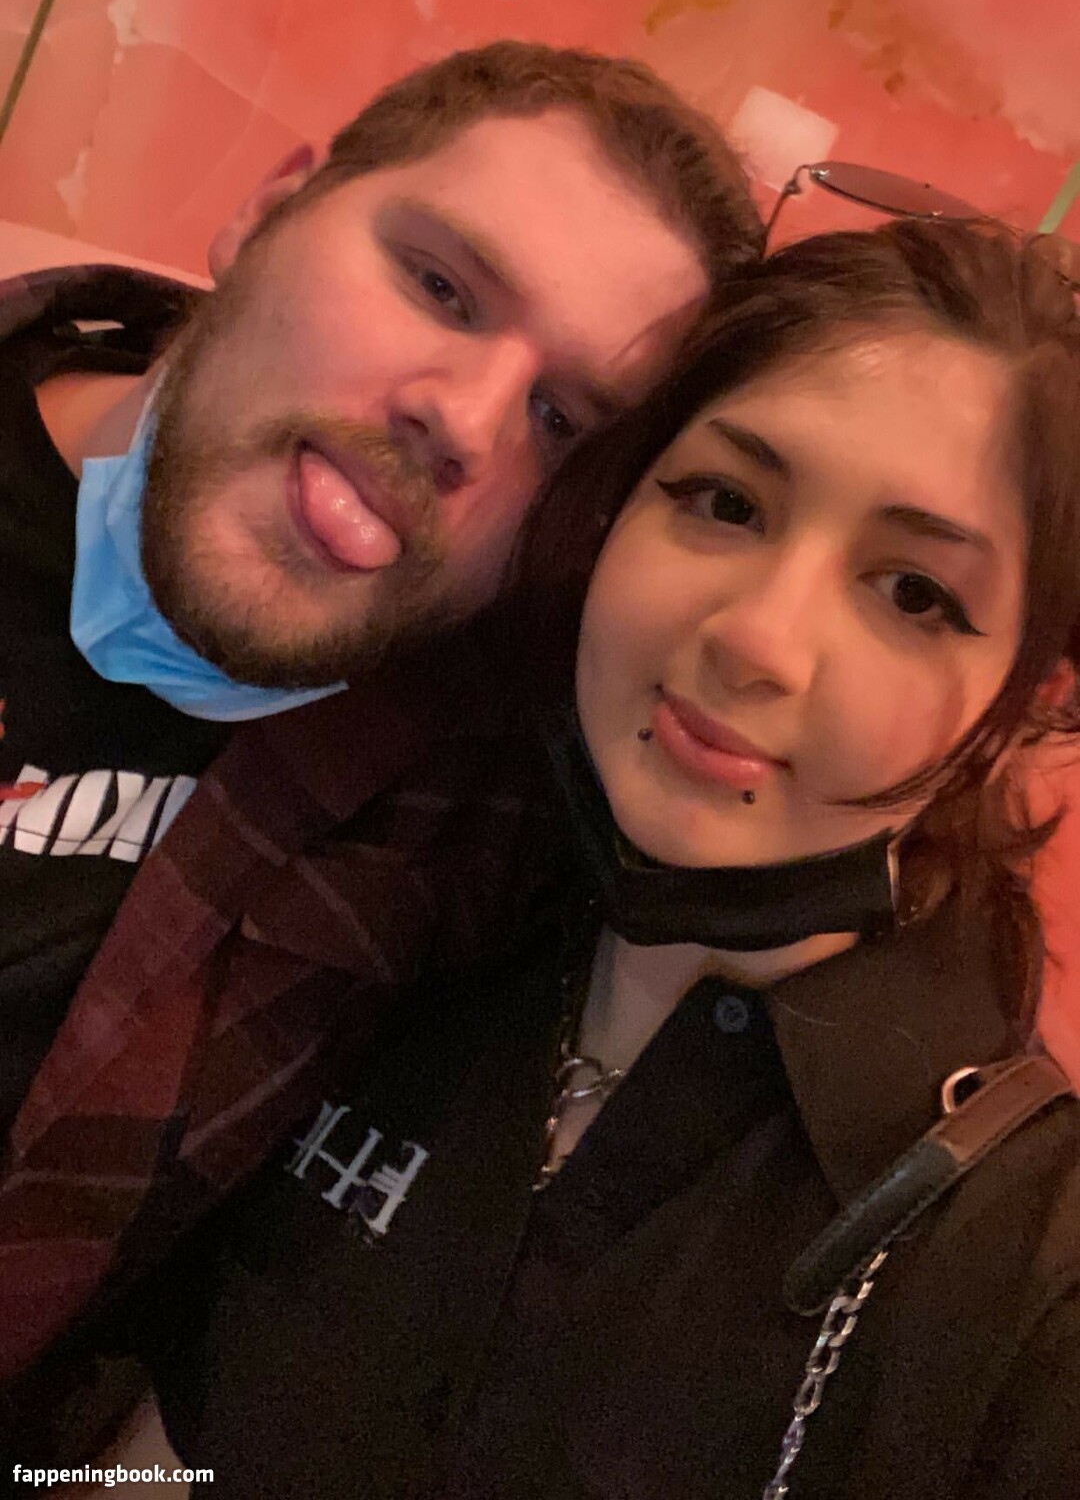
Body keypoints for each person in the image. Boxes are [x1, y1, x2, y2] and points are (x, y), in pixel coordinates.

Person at [123, 214, 1080, 1497]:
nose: (758, 640)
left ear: (1021, 710)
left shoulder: (1026, 1276)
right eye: (726, 503)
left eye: (914, 593)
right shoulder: (398, 921)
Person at [0, 41, 762, 1431]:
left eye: (559, 420)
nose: (461, 422)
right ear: (266, 209)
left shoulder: (459, 833)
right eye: (439, 285)